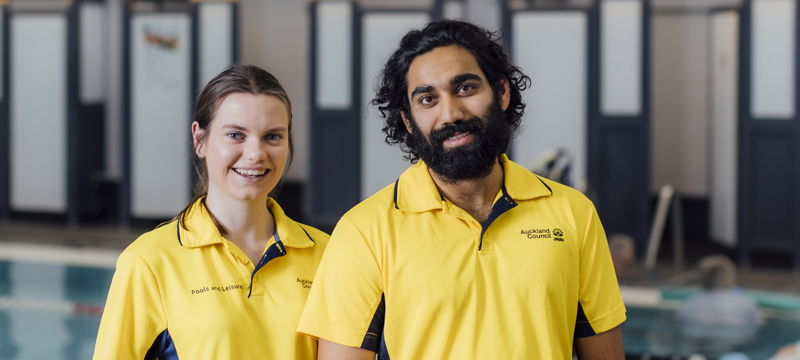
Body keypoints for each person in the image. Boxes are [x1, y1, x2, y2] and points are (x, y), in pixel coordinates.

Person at [298, 20, 626, 359]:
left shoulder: (574, 213)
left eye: (466, 88)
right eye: (427, 99)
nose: (450, 113)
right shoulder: (363, 231)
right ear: (409, 121)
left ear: (501, 93)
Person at [93, 65, 329, 359]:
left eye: (272, 136)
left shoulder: (327, 255)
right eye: (235, 135)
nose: (256, 153)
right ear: (199, 140)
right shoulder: (149, 262)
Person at [677, 255, 762, 356]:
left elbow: (678, 322)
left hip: (700, 344)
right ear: (731, 277)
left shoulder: (690, 304)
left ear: (702, 279)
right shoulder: (746, 304)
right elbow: (759, 323)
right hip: (735, 344)